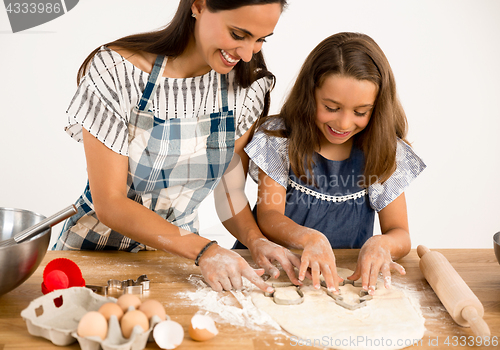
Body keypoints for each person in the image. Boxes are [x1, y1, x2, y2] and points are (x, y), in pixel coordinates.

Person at [53, 0, 302, 293]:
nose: (248, 54)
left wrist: (255, 239)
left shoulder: (246, 88)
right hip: (91, 258)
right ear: (198, 6)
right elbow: (110, 203)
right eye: (238, 34)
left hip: (176, 261)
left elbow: (229, 190)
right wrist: (205, 250)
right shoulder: (118, 73)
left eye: (260, 40)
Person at [240, 32, 426, 295]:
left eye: (360, 112)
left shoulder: (383, 151)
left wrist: (383, 243)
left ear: (377, 108)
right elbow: (269, 216)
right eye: (331, 107)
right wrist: (309, 238)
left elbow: (400, 233)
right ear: (310, 93)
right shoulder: (280, 140)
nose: (344, 123)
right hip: (272, 272)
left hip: (339, 279)